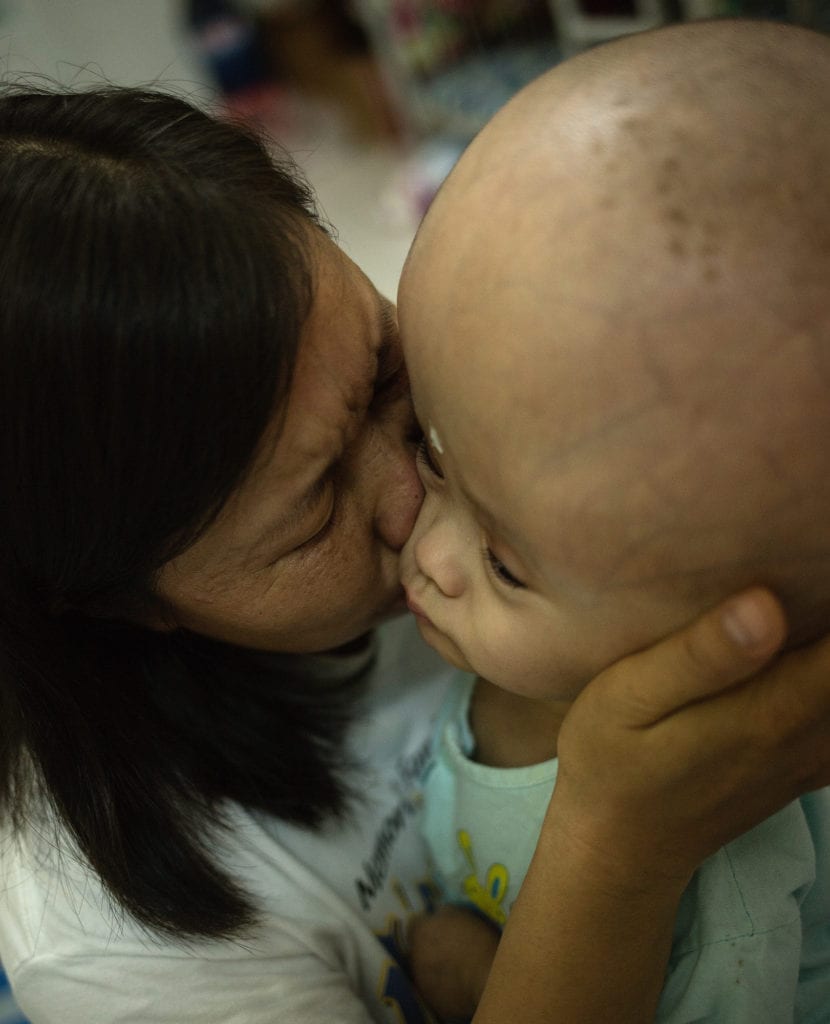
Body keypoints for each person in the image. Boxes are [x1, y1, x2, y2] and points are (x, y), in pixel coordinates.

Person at [0, 75, 829, 1024]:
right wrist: (617, 846)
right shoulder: (116, 950)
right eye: (314, 517)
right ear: (123, 600)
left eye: (387, 372)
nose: (427, 505)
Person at [399, 17, 830, 1023]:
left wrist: (466, 972)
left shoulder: (712, 862)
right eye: (429, 455)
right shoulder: (569, 579)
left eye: (502, 564)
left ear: (740, 647)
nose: (423, 550)